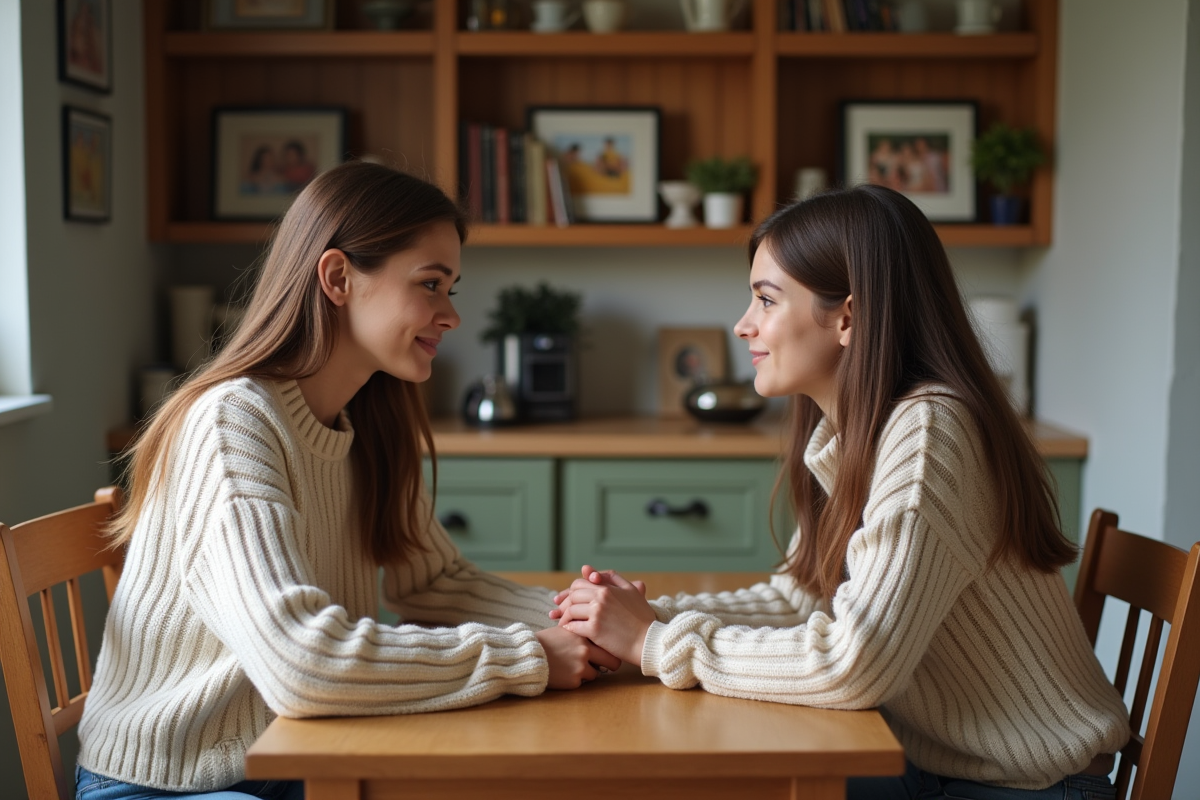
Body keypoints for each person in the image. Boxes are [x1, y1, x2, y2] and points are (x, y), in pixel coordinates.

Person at [552, 184, 1130, 799]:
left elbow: (856, 663)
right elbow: (801, 598)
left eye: (766, 299)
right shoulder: (859, 431)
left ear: (848, 317)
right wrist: (649, 618)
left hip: (1027, 788)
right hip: (939, 764)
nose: (744, 324)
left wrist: (652, 641)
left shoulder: (930, 430)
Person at [75, 161, 620, 800]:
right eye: (430, 284)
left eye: (452, 288)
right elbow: (301, 664)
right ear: (337, 277)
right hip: (176, 785)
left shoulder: (366, 420)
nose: (451, 315)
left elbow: (435, 583)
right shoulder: (234, 424)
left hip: (302, 755)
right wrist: (526, 657)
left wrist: (598, 624)